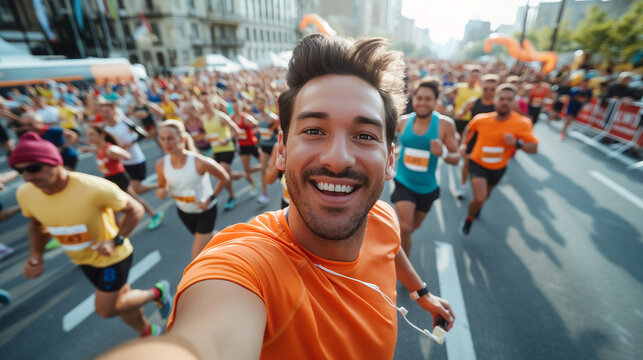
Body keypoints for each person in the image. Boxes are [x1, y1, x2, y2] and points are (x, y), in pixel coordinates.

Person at [102, 34, 454, 360]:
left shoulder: (381, 216)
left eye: (364, 135)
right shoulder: (247, 266)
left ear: (391, 158)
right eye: (314, 130)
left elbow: (390, 248)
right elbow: (203, 341)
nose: (338, 158)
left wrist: (422, 293)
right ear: (282, 150)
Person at [9, 132, 172, 337]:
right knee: (121, 299)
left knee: (106, 309)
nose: (28, 176)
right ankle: (147, 331)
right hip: (83, 259)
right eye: (19, 170)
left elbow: (136, 210)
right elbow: (35, 223)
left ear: (55, 162)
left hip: (112, 257)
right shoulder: (26, 193)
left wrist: (115, 240)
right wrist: (35, 256)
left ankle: (157, 292)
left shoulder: (93, 188)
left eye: (34, 168)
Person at [458, 84, 539, 235]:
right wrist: (463, 144)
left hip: (498, 167)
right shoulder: (481, 119)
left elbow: (534, 148)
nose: (505, 102)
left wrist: (517, 143)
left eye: (509, 99)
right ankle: (469, 219)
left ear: (514, 102)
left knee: (485, 197)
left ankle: (478, 207)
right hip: (477, 162)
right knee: (480, 197)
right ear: (495, 100)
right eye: (502, 98)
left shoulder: (522, 123)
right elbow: (469, 129)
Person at [392, 77, 460, 255]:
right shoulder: (403, 121)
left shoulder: (445, 125)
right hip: (403, 181)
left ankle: (403, 244)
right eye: (419, 98)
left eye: (428, 99)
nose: (422, 102)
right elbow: (384, 142)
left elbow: (456, 158)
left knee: (413, 227)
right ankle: (403, 269)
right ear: (413, 99)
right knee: (405, 227)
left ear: (435, 101)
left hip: (427, 188)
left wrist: (443, 153)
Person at [155, 120, 230, 259]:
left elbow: (224, 177)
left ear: (182, 139)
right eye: (163, 139)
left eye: (170, 138)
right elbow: (161, 186)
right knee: (207, 239)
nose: (166, 143)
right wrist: (161, 191)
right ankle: (227, 240)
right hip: (184, 212)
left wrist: (210, 199)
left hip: (205, 211)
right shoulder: (161, 164)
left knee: (196, 256)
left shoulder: (199, 162)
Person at [100, 101, 164, 230]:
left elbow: (143, 135)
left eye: (107, 111)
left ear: (114, 111)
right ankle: (151, 211)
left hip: (136, 160)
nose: (105, 114)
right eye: (103, 112)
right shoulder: (104, 129)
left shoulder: (125, 123)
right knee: (131, 192)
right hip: (121, 164)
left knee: (135, 191)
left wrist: (130, 143)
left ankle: (157, 198)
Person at [455, 75, 498, 199]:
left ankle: (481, 192)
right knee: (467, 163)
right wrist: (460, 113)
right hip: (473, 137)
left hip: (490, 140)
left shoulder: (498, 105)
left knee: (486, 167)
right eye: (486, 88)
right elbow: (460, 113)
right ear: (481, 88)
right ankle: (463, 186)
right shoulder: (474, 102)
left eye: (492, 89)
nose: (489, 92)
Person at [200, 93, 243, 210]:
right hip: (216, 150)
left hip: (227, 149)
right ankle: (236, 175)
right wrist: (205, 138)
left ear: (213, 102)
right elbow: (205, 135)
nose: (205, 104)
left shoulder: (221, 117)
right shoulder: (203, 118)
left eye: (206, 101)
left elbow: (237, 131)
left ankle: (232, 197)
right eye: (202, 102)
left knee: (222, 172)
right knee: (221, 174)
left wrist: (228, 139)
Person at [231, 98, 261, 195]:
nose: (235, 109)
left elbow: (258, 125)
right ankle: (253, 185)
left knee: (263, 161)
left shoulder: (246, 118)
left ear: (240, 107)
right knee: (247, 170)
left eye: (237, 107)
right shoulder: (231, 119)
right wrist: (233, 135)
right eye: (234, 107)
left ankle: (265, 167)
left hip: (252, 144)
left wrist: (253, 132)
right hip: (242, 146)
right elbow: (230, 132)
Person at [255, 95, 280, 205]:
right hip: (265, 146)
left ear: (265, 104)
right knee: (262, 168)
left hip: (274, 146)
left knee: (278, 170)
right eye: (257, 104)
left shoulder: (271, 117)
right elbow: (261, 131)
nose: (259, 106)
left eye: (261, 104)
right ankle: (264, 194)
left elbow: (278, 126)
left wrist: (272, 130)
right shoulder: (258, 117)